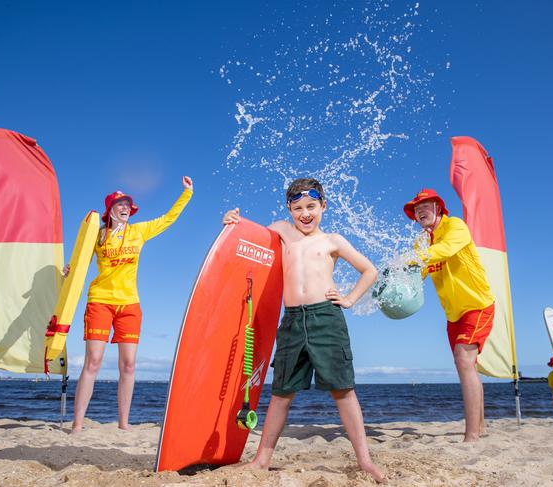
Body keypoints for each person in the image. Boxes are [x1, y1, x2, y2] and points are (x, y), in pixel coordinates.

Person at [223, 178, 385, 483]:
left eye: (311, 206)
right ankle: (261, 460)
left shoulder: (333, 240)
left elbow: (369, 270)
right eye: (298, 208)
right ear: (289, 209)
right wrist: (234, 220)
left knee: (343, 391)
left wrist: (349, 299)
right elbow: (252, 234)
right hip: (292, 321)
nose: (305, 213)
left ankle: (365, 461)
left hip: (326, 319)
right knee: (281, 393)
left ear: (323, 206)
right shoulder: (282, 230)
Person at [71, 176, 193, 433]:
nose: (126, 208)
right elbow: (80, 260)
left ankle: (124, 423)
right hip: (100, 301)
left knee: (128, 365)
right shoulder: (98, 235)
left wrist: (186, 193)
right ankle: (78, 424)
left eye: (128, 204)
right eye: (120, 204)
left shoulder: (138, 232)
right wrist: (68, 269)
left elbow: (168, 218)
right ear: (110, 210)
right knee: (93, 361)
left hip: (129, 305)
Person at [403, 188, 495, 442]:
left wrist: (410, 259)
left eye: (425, 206)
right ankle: (482, 426)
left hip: (477, 304)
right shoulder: (421, 242)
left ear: (438, 208)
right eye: (416, 209)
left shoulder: (456, 226)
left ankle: (472, 436)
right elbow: (416, 276)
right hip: (453, 313)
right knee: (467, 366)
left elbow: (443, 251)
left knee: (464, 361)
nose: (420, 211)